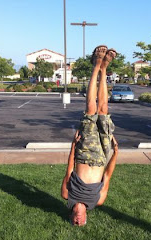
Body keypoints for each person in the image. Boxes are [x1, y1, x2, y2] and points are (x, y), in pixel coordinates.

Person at [61, 45, 118, 226]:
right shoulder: (98, 201)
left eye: (74, 222)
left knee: (91, 110)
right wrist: (116, 154)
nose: (78, 220)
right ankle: (104, 69)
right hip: (102, 155)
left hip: (84, 154)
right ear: (86, 218)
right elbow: (107, 176)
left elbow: (69, 169)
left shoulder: (67, 195)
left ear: (71, 216)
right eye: (81, 222)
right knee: (103, 110)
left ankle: (96, 65)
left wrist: (73, 146)